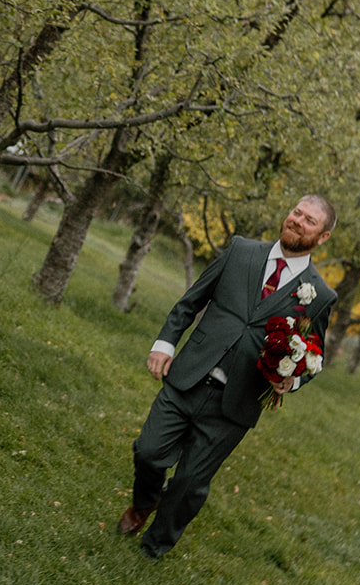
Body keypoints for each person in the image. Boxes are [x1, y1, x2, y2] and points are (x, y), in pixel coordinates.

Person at [119, 195, 337, 557]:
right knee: (148, 451)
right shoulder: (240, 251)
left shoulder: (320, 296)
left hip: (236, 400)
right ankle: (144, 502)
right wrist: (164, 344)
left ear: (323, 237)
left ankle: (154, 547)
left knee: (190, 483)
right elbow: (192, 301)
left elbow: (316, 354)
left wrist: (291, 380)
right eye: (296, 212)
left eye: (310, 220)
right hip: (189, 374)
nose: (298, 221)